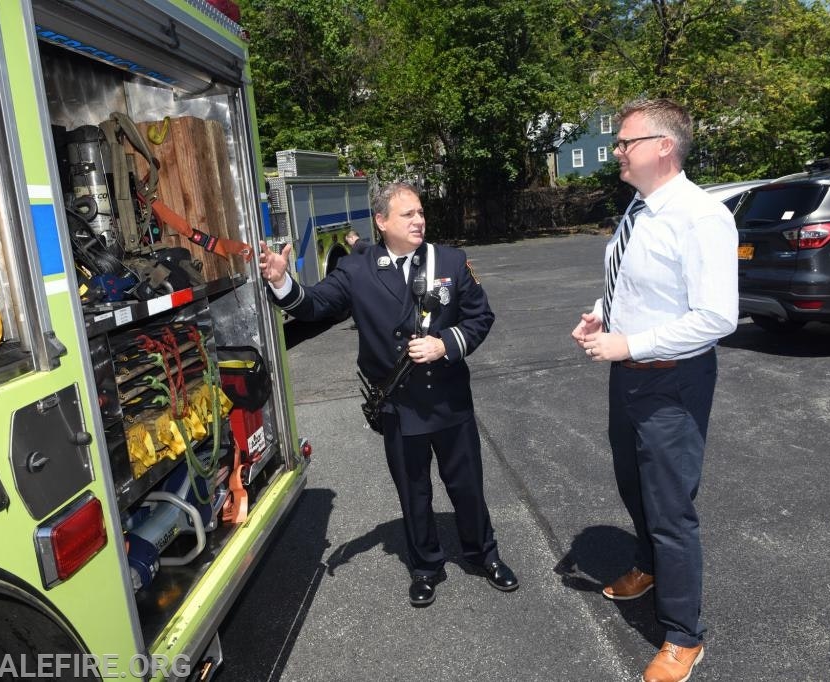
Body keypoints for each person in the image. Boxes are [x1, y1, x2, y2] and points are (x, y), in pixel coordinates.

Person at [260, 181, 518, 606]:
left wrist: (445, 344)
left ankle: (483, 554)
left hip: (449, 399)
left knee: (468, 486)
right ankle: (426, 566)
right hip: (399, 404)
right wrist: (283, 282)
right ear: (381, 222)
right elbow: (315, 305)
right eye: (407, 215)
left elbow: (480, 316)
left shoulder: (448, 260)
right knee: (413, 492)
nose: (419, 220)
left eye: (420, 212)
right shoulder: (358, 269)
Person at [570, 99, 738, 682]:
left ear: (664, 146)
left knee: (670, 509)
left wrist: (630, 346)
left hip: (671, 381)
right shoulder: (639, 210)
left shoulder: (700, 216)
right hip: (631, 376)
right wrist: (599, 316)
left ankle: (684, 637)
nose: (617, 151)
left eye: (625, 142)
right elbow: (635, 287)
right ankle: (648, 565)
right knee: (633, 485)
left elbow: (718, 316)